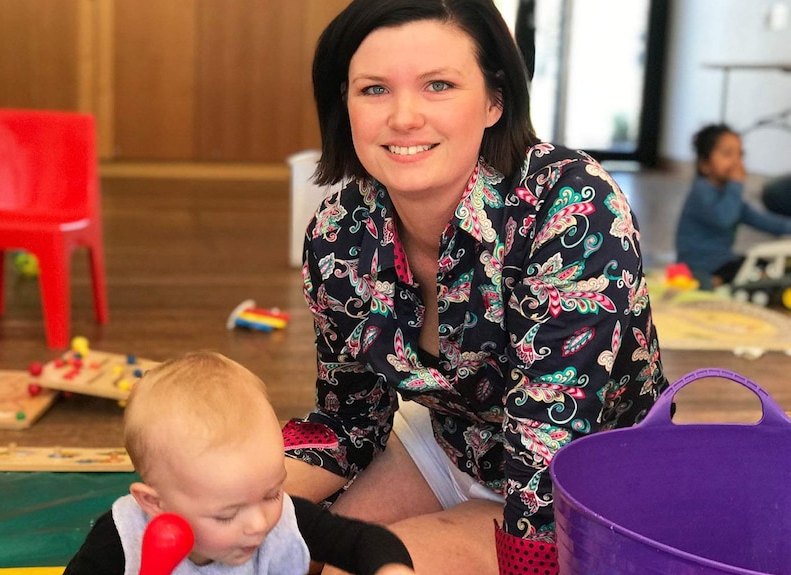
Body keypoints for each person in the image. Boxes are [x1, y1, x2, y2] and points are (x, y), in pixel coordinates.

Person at [281, 1, 668, 574]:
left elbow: (548, 444)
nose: (404, 117)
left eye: (438, 84)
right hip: (456, 447)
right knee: (282, 550)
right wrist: (219, 497)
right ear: (345, 103)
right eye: (374, 89)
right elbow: (348, 420)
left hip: (586, 491)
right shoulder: (339, 232)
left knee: (353, 568)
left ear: (495, 100)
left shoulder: (571, 205)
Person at [64, 351, 414, 575]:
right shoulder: (124, 539)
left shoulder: (284, 525)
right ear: (155, 503)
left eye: (271, 493)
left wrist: (391, 568)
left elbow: (363, 542)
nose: (258, 524)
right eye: (227, 514)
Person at [675, 123, 791, 290]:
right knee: (751, 274)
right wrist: (736, 185)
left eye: (740, 155)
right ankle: (709, 283)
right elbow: (724, 217)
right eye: (727, 154)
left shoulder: (730, 196)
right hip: (698, 267)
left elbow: (762, 221)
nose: (737, 162)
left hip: (722, 262)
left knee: (765, 265)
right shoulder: (701, 192)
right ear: (705, 165)